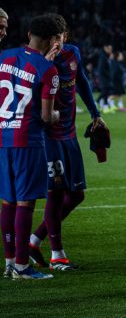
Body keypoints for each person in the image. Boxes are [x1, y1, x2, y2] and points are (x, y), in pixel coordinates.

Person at [27, 16, 106, 271]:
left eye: (62, 36)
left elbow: (81, 81)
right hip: (47, 136)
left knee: (77, 195)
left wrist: (95, 113)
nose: (60, 41)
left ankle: (34, 240)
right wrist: (43, 65)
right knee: (56, 192)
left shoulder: (73, 54)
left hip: (69, 134)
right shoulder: (33, 63)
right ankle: (57, 255)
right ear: (48, 39)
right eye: (55, 37)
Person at [0, 14, 62, 279]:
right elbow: (47, 117)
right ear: (50, 41)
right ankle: (23, 267)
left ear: (29, 34)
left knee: (8, 202)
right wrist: (60, 115)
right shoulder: (49, 70)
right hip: (28, 140)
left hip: (3, 138)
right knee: (26, 204)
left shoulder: (4, 57)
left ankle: (10, 262)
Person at [96, 44, 112, 113]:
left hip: (105, 77)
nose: (111, 50)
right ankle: (103, 105)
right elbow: (101, 69)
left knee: (106, 91)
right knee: (105, 91)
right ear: (105, 48)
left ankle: (103, 105)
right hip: (103, 77)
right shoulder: (103, 57)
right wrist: (108, 75)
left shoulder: (106, 56)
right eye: (109, 48)